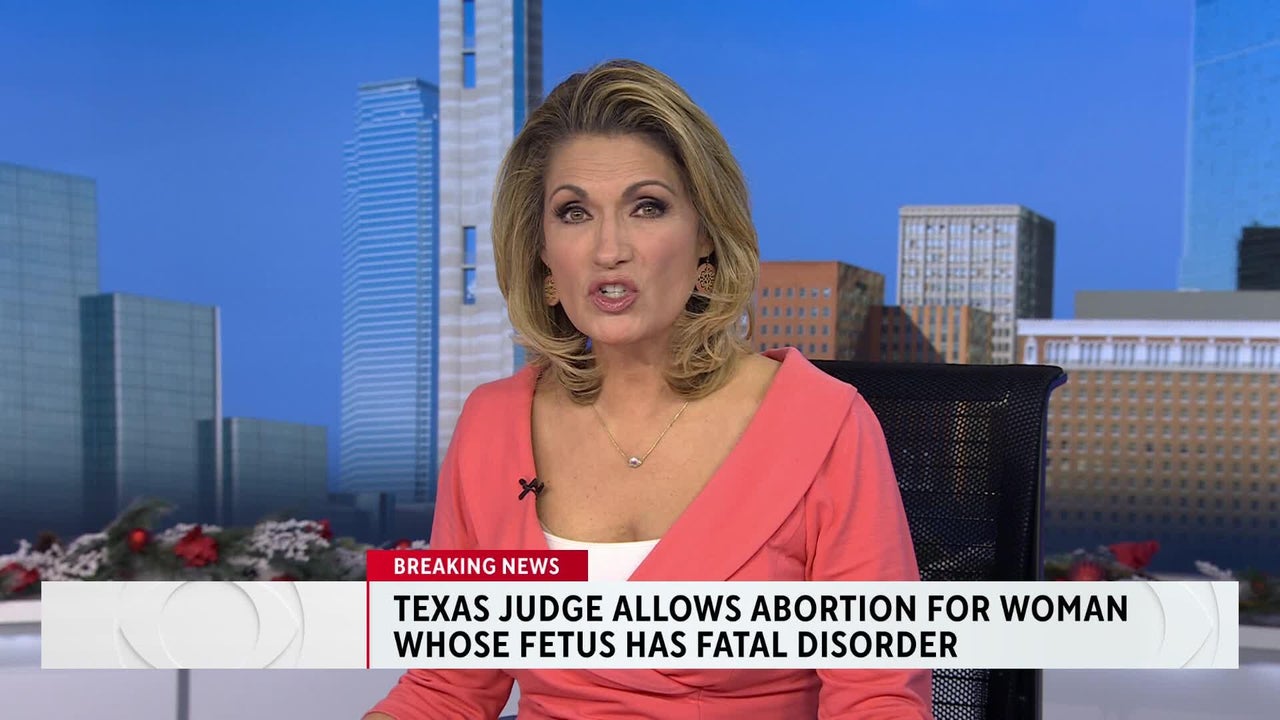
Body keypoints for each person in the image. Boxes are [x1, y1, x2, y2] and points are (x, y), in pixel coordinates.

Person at [364, 59, 933, 719]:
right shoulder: (493, 424)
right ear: (544, 256)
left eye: (647, 207)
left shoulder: (826, 425)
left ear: (706, 241)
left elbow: (877, 699)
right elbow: (447, 688)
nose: (609, 249)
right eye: (574, 212)